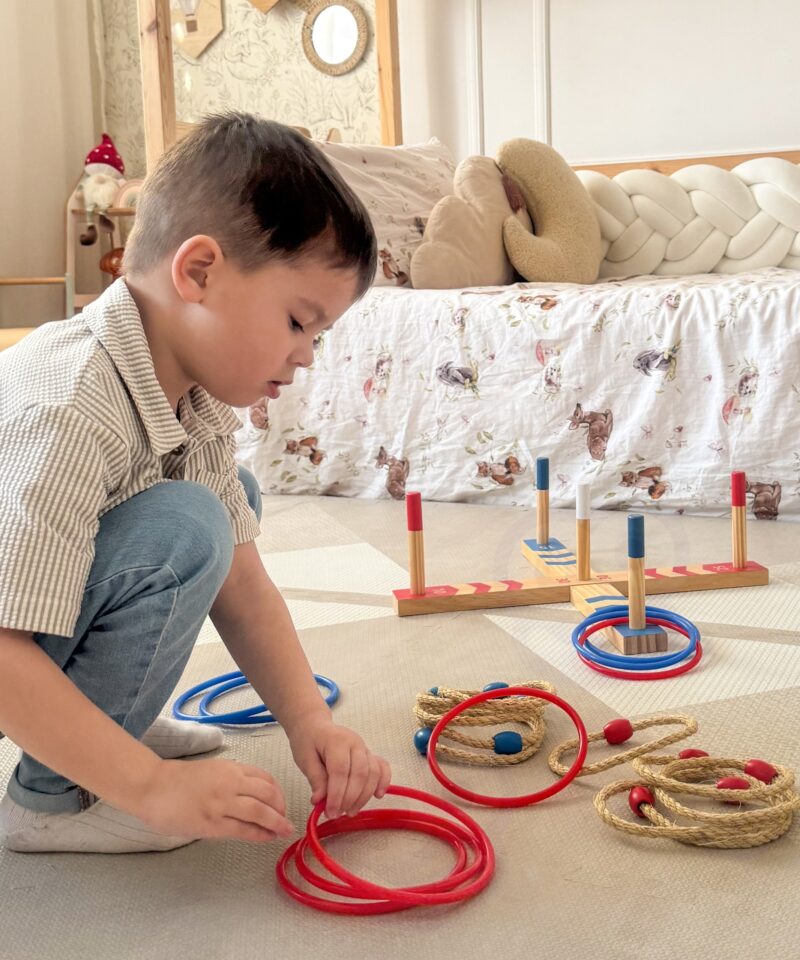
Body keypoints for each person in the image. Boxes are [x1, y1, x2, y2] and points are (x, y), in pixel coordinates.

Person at [0, 112, 391, 854]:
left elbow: (241, 581)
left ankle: (110, 715)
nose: (306, 356)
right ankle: (51, 799)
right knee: (188, 523)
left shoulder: (195, 394)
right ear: (200, 273)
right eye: (298, 321)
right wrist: (148, 789)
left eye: (319, 335)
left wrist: (311, 722)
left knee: (225, 501)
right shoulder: (68, 406)